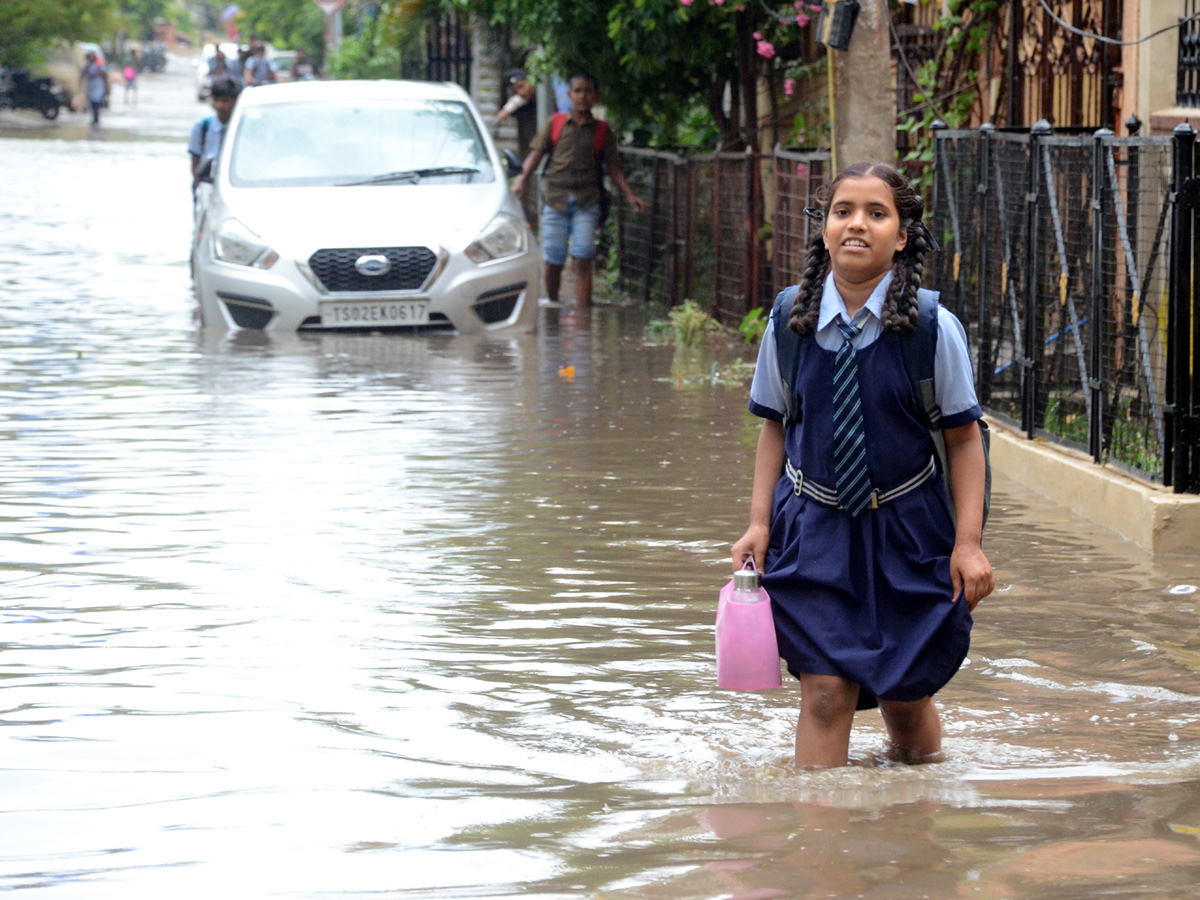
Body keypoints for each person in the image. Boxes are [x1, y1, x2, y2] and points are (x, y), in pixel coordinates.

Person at [730, 162, 994, 770]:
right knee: (824, 694)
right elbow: (776, 425)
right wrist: (759, 522)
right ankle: (824, 854)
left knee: (905, 697)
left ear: (901, 236)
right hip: (815, 530)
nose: (857, 224)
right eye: (843, 210)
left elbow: (963, 440)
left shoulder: (931, 327)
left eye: (877, 213)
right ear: (823, 228)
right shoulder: (789, 321)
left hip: (908, 531)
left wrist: (969, 544)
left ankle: (916, 822)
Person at [511, 74, 649, 310]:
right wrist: (521, 179)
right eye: (577, 91)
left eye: (587, 91)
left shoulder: (603, 131)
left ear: (595, 96)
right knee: (553, 259)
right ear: (569, 95)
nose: (582, 96)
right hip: (556, 201)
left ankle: (584, 317)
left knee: (583, 256)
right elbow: (535, 156)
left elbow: (614, 168)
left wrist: (630, 194)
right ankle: (553, 304)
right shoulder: (554, 124)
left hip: (587, 202)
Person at [189, 78, 240, 194]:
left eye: (226, 101)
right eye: (216, 100)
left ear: (236, 101)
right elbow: (195, 160)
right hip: (206, 185)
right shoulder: (202, 127)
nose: (220, 106)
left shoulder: (241, 129)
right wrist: (199, 185)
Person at [79, 50, 109, 126]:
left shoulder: (100, 67)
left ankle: (96, 118)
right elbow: (82, 76)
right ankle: (94, 117)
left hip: (98, 85)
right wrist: (80, 87)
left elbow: (105, 77)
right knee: (92, 102)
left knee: (97, 102)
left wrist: (107, 87)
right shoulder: (86, 67)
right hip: (90, 86)